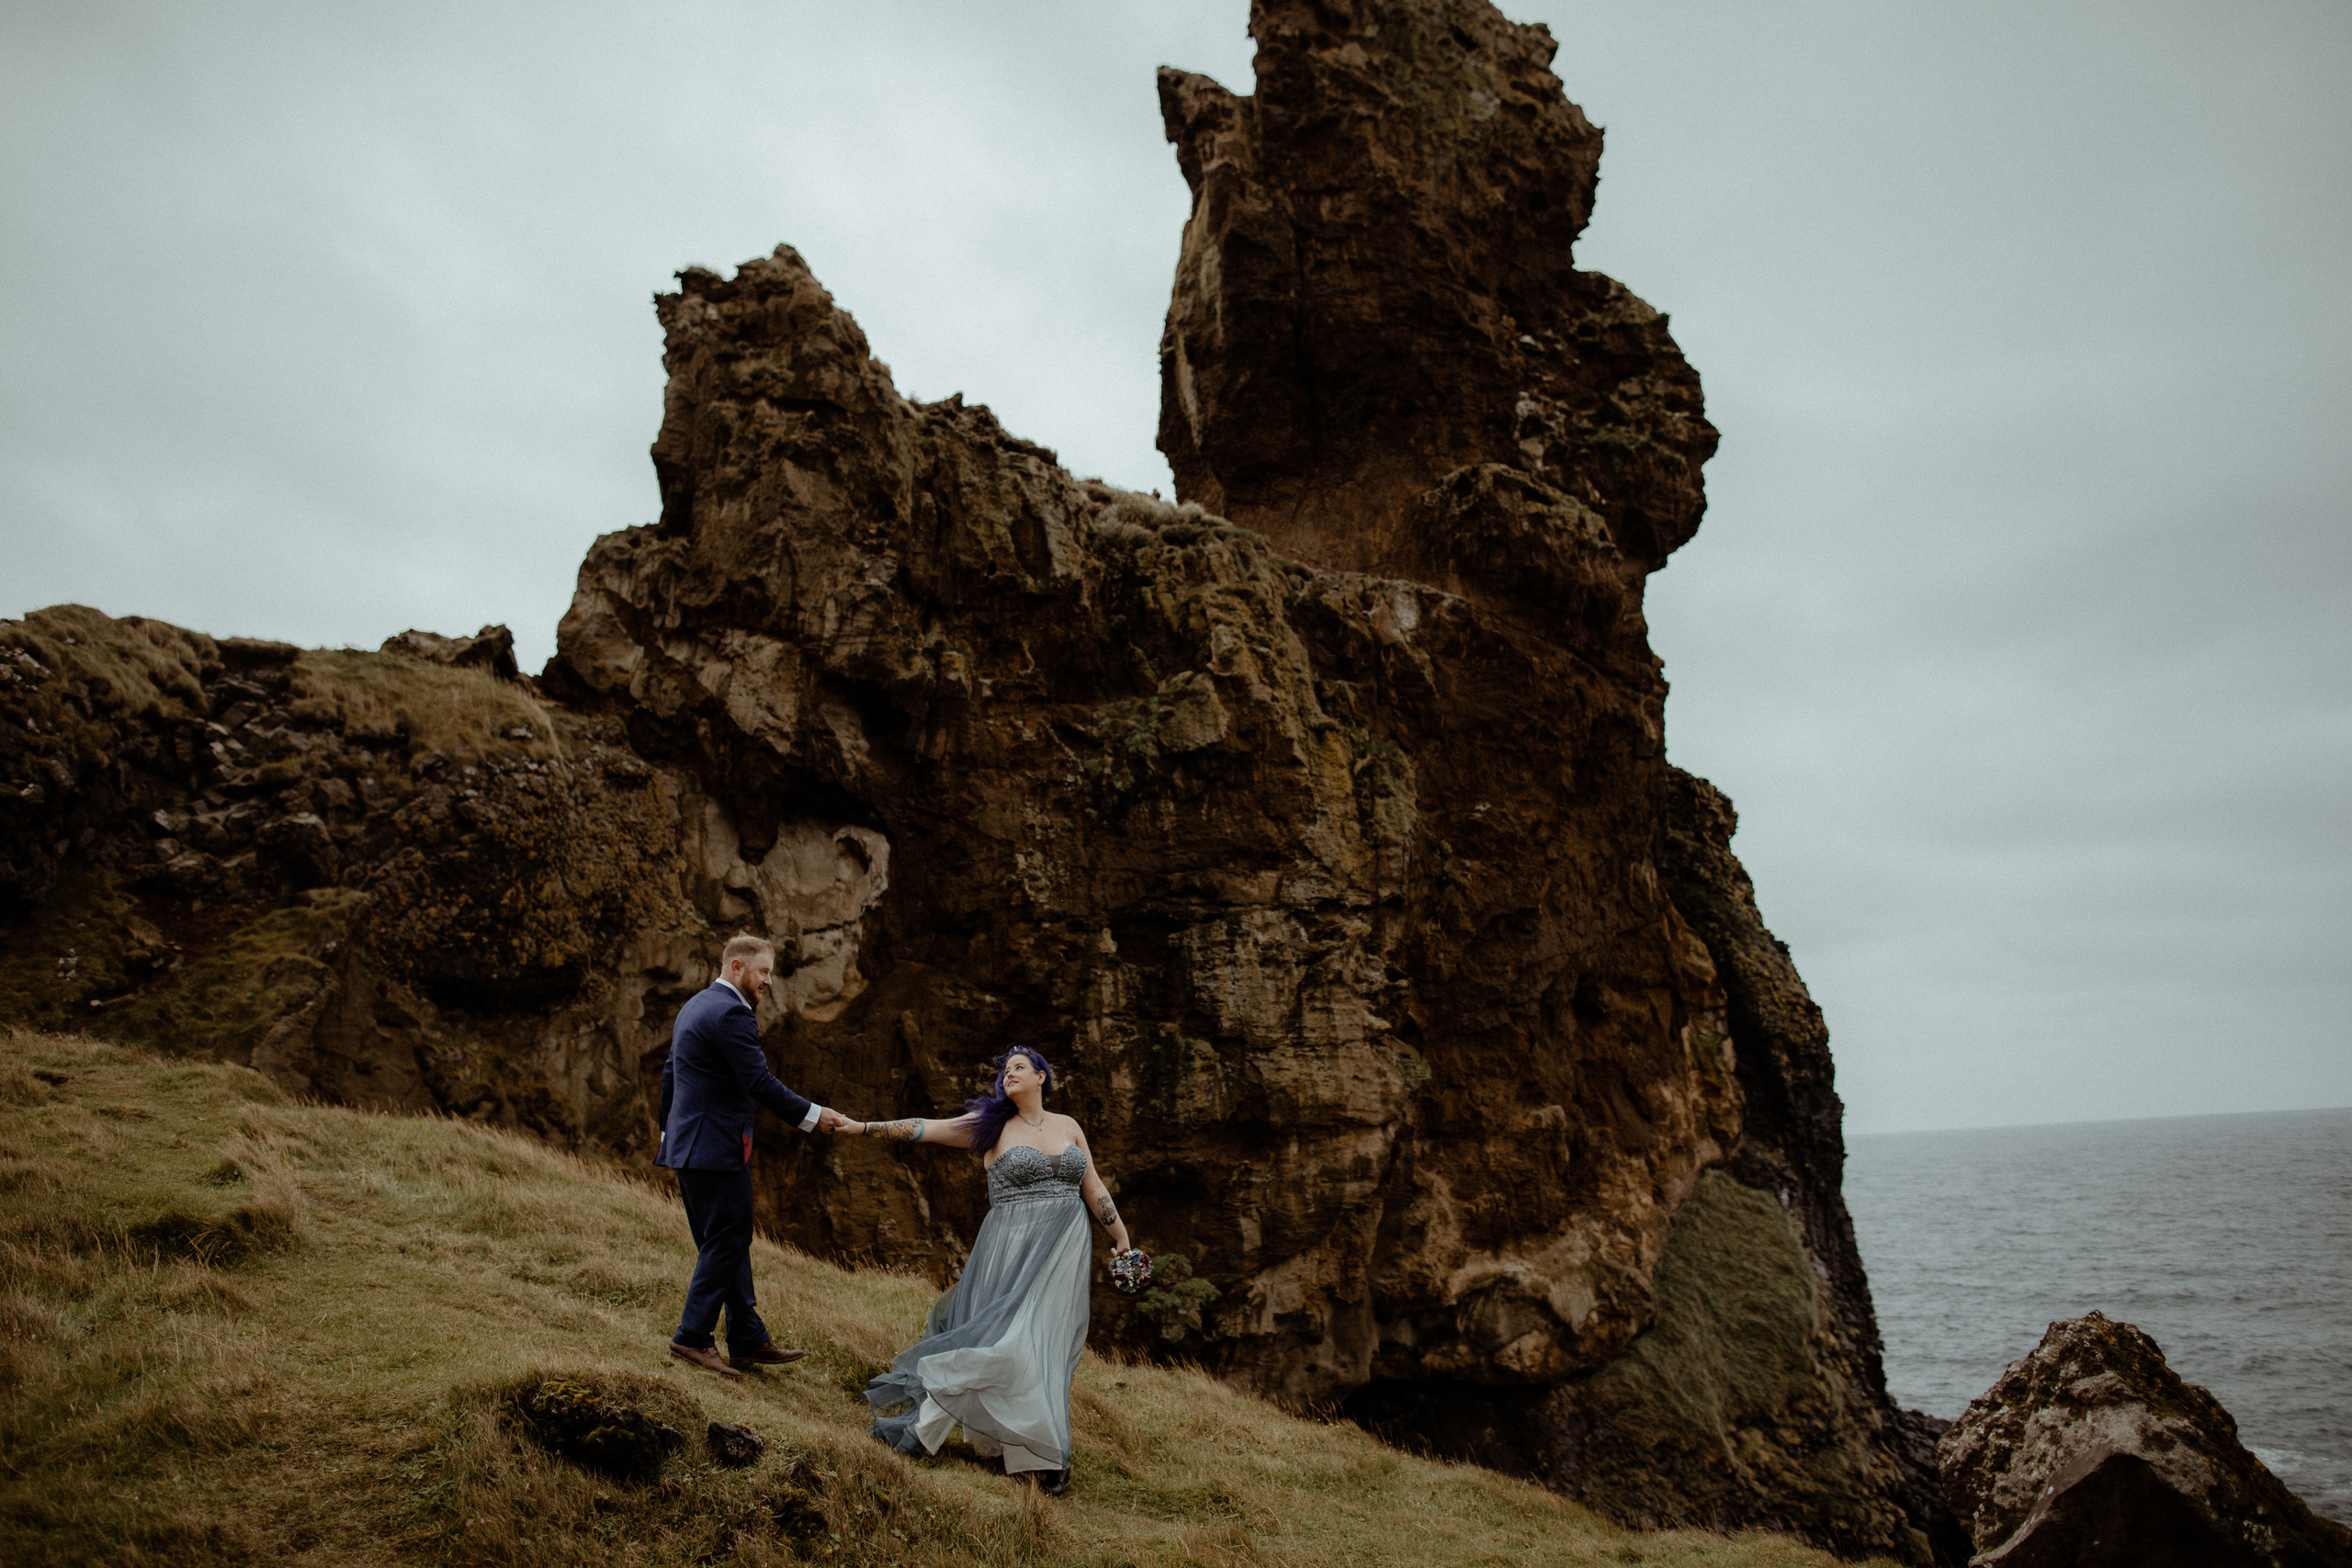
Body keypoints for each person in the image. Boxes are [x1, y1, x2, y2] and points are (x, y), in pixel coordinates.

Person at [835, 1046, 1132, 1496]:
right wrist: (862, 1127)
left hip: (1064, 1251)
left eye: (1018, 1068)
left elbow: (1093, 1187)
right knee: (1007, 1343)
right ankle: (930, 1430)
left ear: (1041, 1077)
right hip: (1011, 1249)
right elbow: (923, 1129)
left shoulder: (1068, 1126)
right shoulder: (991, 1128)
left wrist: (1123, 1239)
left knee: (1042, 1348)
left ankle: (1034, 1453)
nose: (1008, 1074)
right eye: (1004, 1071)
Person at [656, 932, 842, 1378]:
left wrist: (670, 1132)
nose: (769, 982)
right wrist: (814, 1116)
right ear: (736, 967)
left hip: (688, 1147)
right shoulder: (731, 1014)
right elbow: (759, 1082)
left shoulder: (695, 1006)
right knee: (729, 1239)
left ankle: (747, 1337)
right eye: (763, 972)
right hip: (716, 1150)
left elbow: (671, 1072)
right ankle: (692, 1337)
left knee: (724, 1240)